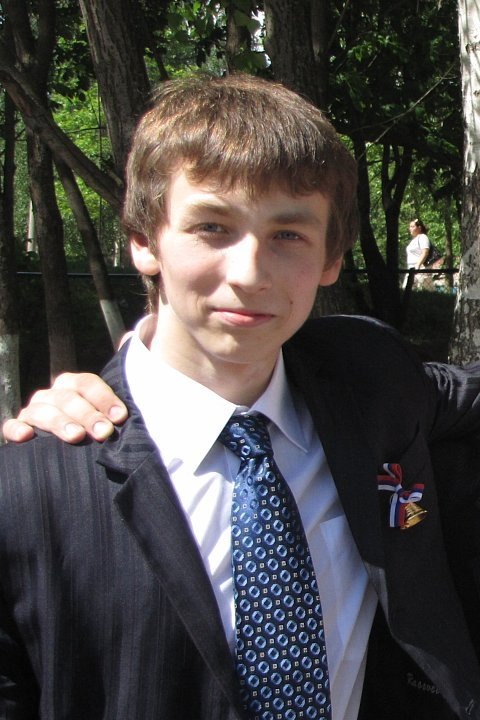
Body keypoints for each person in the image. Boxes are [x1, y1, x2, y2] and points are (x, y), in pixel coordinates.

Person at [2, 73, 480, 720]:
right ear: (143, 240)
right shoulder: (32, 487)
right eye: (212, 227)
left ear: (332, 257)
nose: (250, 273)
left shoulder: (372, 382)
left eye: (289, 235)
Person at [404, 218, 431, 288]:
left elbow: (425, 252)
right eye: (410, 227)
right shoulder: (413, 240)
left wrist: (418, 265)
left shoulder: (423, 237)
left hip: (420, 270)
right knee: (406, 290)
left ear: (419, 228)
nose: (410, 228)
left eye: (412, 226)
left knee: (424, 291)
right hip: (411, 269)